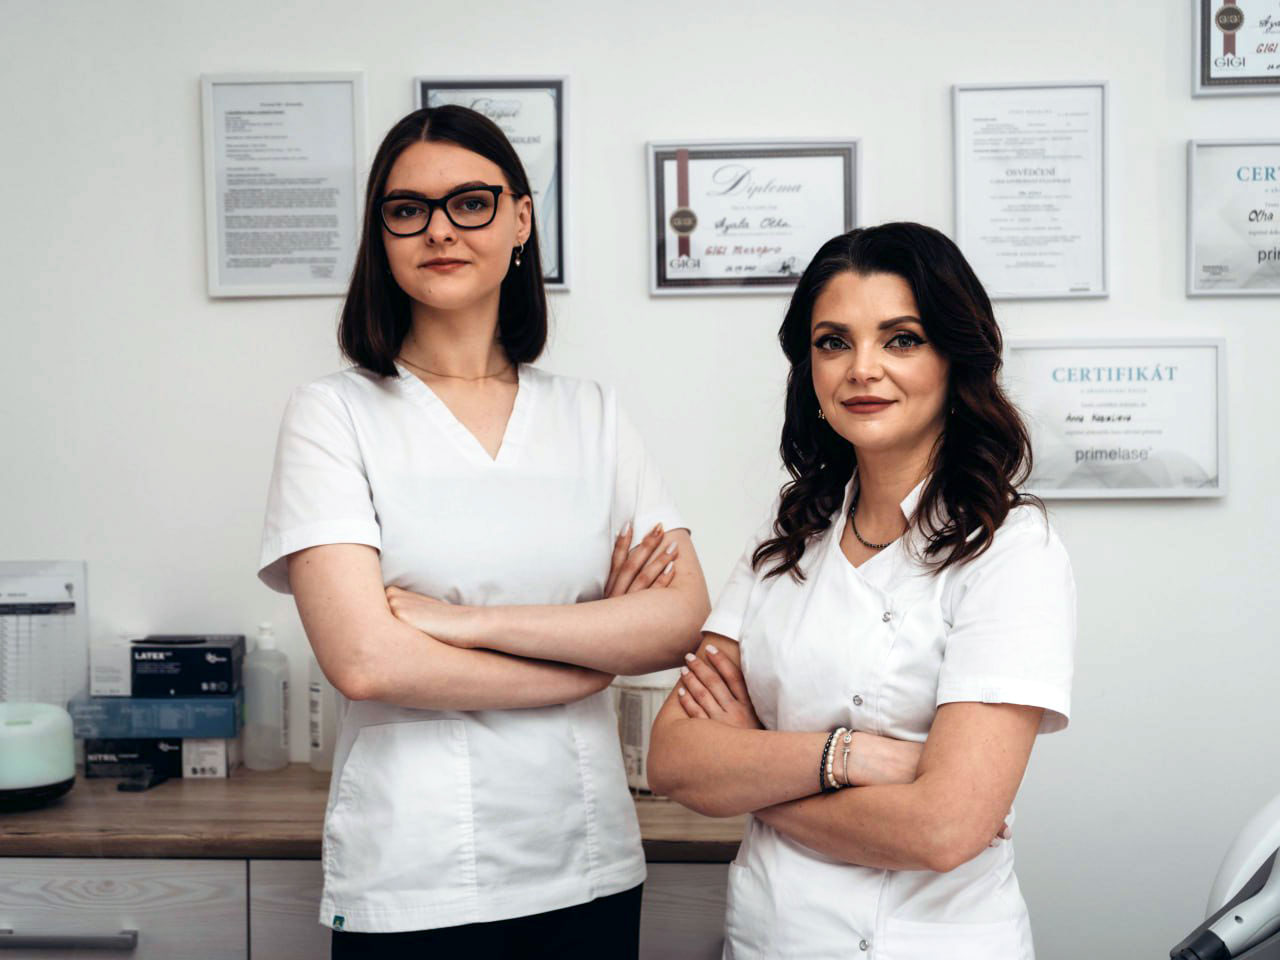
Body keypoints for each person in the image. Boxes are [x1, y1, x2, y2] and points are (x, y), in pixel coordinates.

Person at [257, 105, 710, 959]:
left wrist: (462, 624)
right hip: (415, 870)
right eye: (407, 210)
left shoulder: (591, 415)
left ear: (520, 219)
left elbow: (680, 618)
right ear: (382, 234)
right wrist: (587, 663)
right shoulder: (333, 414)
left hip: (585, 857)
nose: (439, 229)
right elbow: (366, 661)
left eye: (470, 202)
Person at [647, 222, 1076, 960]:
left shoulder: (1010, 549)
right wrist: (849, 758)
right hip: (770, 939)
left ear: (955, 358)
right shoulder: (788, 534)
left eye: (901, 339)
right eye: (833, 342)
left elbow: (943, 829)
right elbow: (675, 759)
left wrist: (752, 770)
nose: (862, 369)